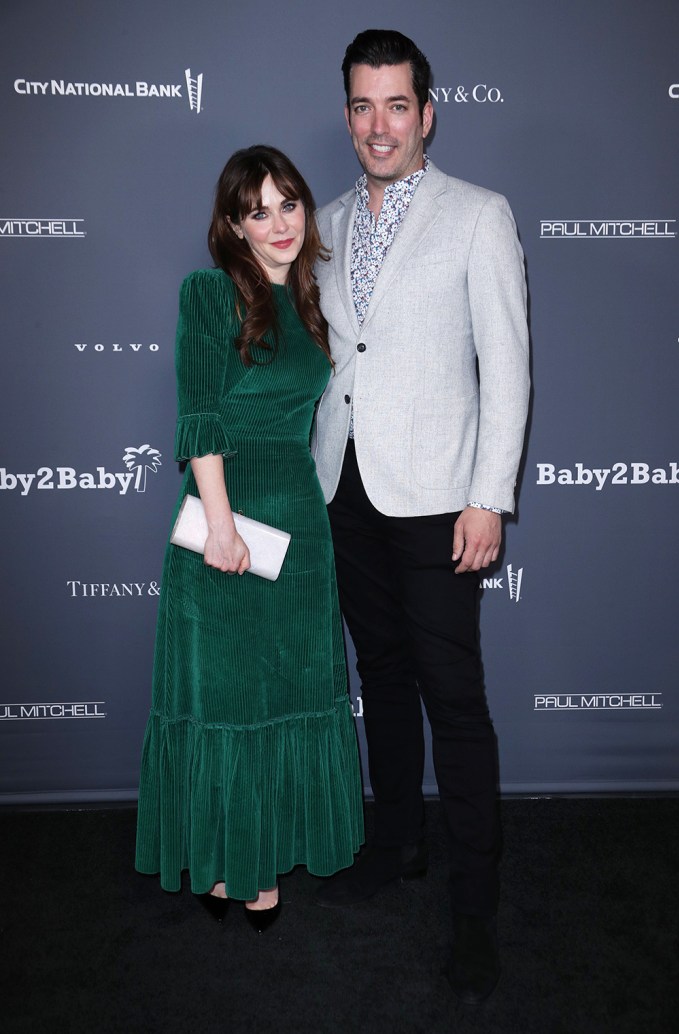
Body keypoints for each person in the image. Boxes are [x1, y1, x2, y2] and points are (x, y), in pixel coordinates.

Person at [311, 30, 530, 1002]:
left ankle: (473, 905)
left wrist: (488, 494)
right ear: (348, 114)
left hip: (441, 495)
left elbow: (507, 367)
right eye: (361, 106)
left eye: (395, 105)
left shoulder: (478, 216)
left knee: (453, 695)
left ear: (426, 113)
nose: (377, 124)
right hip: (345, 489)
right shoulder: (319, 223)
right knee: (383, 678)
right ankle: (397, 840)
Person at [135, 145, 364, 933]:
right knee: (227, 697)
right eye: (257, 209)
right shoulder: (208, 295)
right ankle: (229, 858)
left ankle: (270, 844)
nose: (278, 222)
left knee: (289, 690)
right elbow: (198, 415)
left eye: (289, 203)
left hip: (299, 525)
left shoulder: (309, 304)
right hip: (224, 521)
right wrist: (223, 526)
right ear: (233, 225)